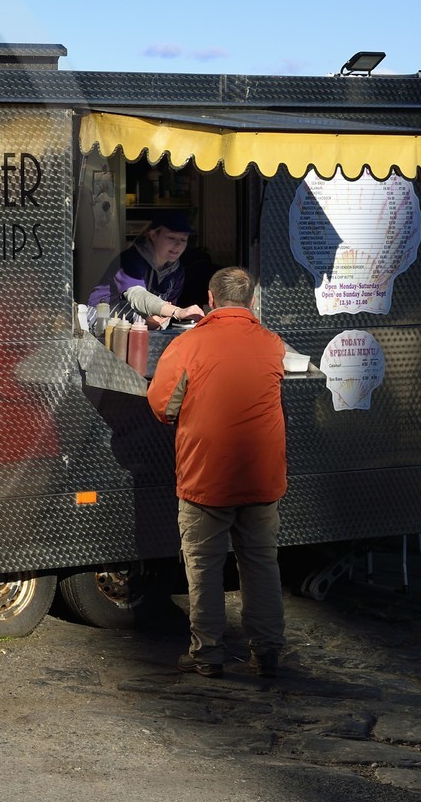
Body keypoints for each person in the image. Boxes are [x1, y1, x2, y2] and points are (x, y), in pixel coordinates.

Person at [147, 266, 288, 678]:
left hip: (206, 476)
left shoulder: (189, 345)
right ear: (251, 301)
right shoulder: (272, 344)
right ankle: (267, 652)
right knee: (261, 564)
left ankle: (207, 654)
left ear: (210, 299)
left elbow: (162, 406)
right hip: (262, 478)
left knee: (205, 567)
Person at [88, 209, 205, 329]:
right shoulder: (131, 259)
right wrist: (178, 312)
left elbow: (167, 310)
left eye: (183, 239)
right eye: (171, 238)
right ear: (154, 235)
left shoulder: (177, 272)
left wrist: (159, 320)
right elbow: (137, 295)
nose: (178, 245)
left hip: (140, 329)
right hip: (103, 322)